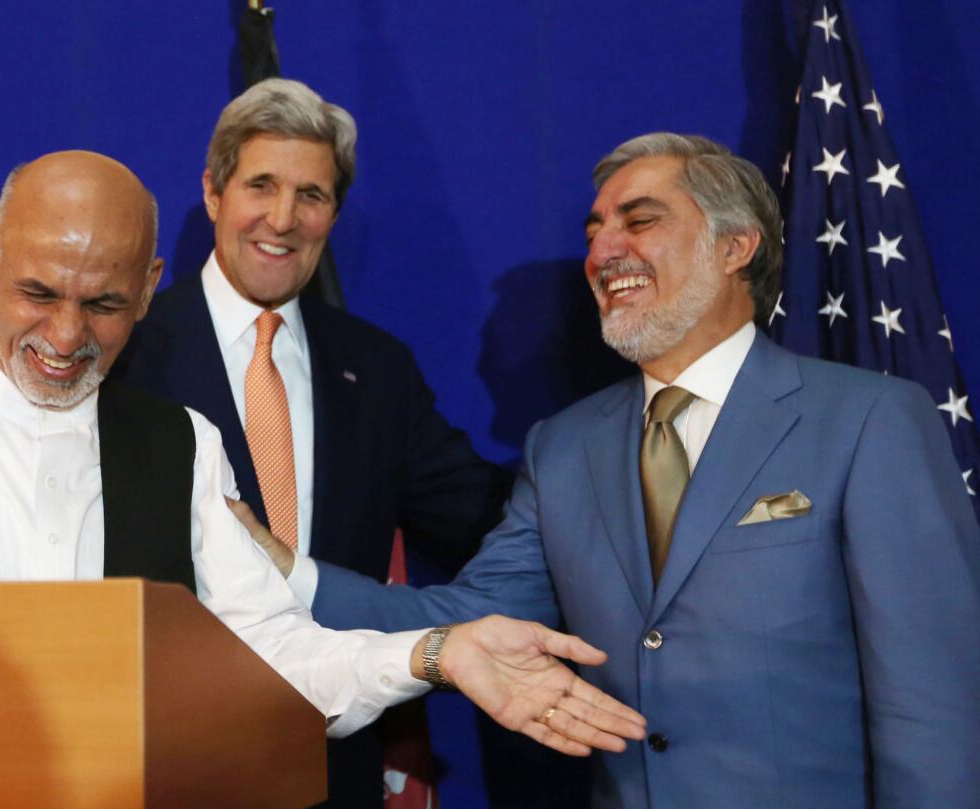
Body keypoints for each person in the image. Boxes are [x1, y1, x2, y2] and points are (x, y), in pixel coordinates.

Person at [0, 149, 648, 768]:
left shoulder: (181, 444)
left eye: (107, 303)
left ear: (154, 284)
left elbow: (274, 656)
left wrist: (435, 651)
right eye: (38, 292)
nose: (66, 336)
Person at [242, 133, 980, 808]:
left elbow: (933, 705)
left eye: (640, 219)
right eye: (595, 230)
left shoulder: (869, 421)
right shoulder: (563, 448)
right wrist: (283, 569)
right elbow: (466, 621)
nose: (603, 251)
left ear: (735, 247)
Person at [0, 78, 512, 806]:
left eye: (312, 195)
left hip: (322, 760)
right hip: (112, 767)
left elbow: (481, 524)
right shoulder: (101, 343)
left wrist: (599, 490)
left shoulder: (375, 369)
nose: (283, 218)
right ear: (214, 191)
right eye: (262, 183)